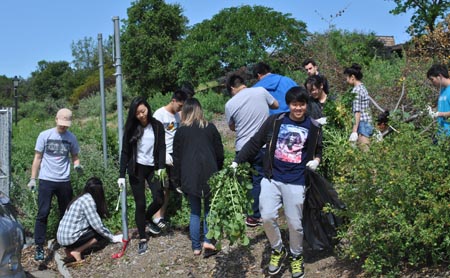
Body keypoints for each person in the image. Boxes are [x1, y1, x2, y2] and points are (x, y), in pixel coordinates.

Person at [232, 86, 323, 278]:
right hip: (272, 177)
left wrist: (316, 161)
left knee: (295, 223)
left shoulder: (314, 126)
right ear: (288, 105)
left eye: (302, 104)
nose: (298, 108)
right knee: (266, 216)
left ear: (306, 105)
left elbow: (318, 150)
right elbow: (256, 142)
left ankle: (296, 255)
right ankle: (277, 249)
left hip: (297, 180)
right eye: (294, 104)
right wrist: (237, 160)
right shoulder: (276, 121)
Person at [27, 108, 82, 261]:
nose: (63, 126)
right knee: (43, 213)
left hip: (64, 181)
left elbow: (75, 156)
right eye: (62, 123)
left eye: (66, 124)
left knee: (65, 213)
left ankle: (64, 242)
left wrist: (77, 165)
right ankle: (39, 246)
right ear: (56, 119)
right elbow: (37, 158)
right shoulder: (45, 135)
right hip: (46, 180)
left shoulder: (71, 138)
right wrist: (33, 178)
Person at [225, 73, 279, 227]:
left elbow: (232, 126)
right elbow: (275, 105)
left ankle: (249, 211)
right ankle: (255, 214)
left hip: (241, 147)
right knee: (260, 179)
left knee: (246, 180)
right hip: (261, 145)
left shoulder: (230, 104)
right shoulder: (261, 91)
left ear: (232, 88)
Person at [173, 98, 224, 257]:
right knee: (209, 208)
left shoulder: (181, 132)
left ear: (185, 112)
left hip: (189, 174)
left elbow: (177, 158)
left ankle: (196, 246)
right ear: (199, 110)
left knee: (195, 211)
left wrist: (176, 180)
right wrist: (218, 169)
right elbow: (219, 153)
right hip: (210, 172)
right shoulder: (210, 128)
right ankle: (208, 240)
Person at [117, 96, 166, 255]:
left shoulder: (157, 126)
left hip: (153, 169)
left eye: (143, 111)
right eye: (137, 113)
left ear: (148, 108)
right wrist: (121, 175)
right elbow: (125, 152)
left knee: (159, 198)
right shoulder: (131, 128)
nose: (141, 115)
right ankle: (143, 238)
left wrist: (161, 167)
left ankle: (144, 219)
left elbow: (161, 148)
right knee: (140, 203)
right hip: (136, 169)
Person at [57, 177, 122, 264]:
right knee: (99, 233)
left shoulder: (79, 198)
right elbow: (97, 226)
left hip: (61, 238)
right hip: (70, 238)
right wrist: (112, 238)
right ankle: (77, 251)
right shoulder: (88, 201)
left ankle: (69, 250)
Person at [152, 90, 188, 230]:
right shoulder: (159, 114)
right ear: (173, 100)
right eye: (179, 105)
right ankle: (156, 216)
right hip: (163, 155)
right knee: (161, 187)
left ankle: (161, 216)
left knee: (169, 188)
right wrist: (163, 154)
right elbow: (154, 137)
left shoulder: (178, 116)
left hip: (175, 155)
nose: (180, 109)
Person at [344, 63, 374, 147]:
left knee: (365, 153)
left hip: (362, 124)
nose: (346, 80)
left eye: (347, 77)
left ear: (352, 77)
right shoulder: (363, 88)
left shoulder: (356, 91)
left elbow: (357, 111)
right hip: (368, 123)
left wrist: (354, 131)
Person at [426, 64, 450, 137]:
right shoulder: (442, 90)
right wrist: (431, 111)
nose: (432, 82)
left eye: (432, 79)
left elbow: (441, 113)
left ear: (439, 76)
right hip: (441, 134)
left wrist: (438, 114)